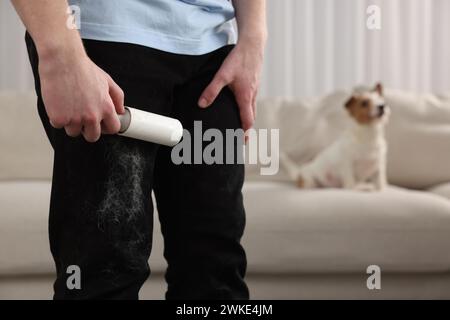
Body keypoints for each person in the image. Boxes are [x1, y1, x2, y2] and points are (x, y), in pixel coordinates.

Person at [11, 0, 266, 300]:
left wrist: (254, 37)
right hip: (102, 38)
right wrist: (59, 52)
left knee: (216, 274)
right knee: (104, 272)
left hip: (214, 52)